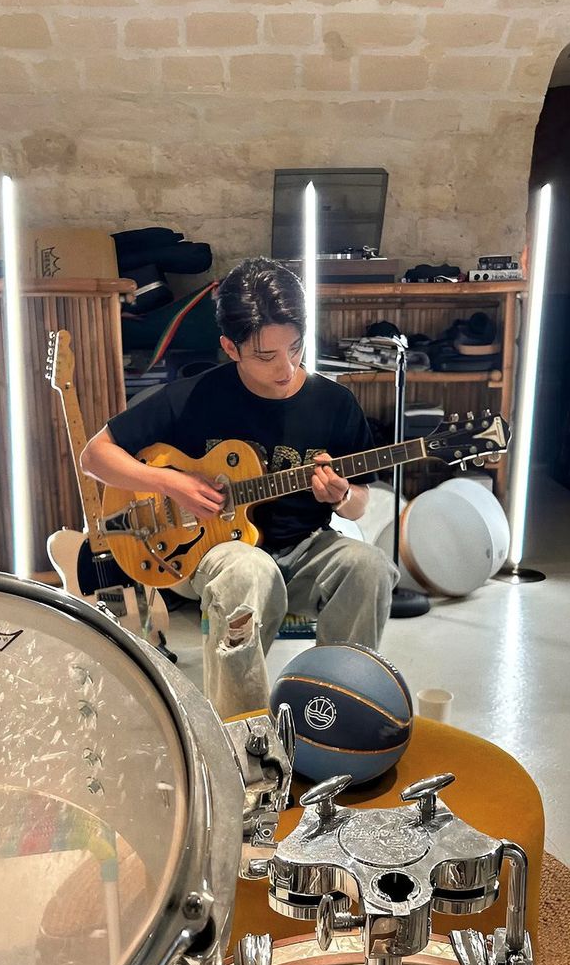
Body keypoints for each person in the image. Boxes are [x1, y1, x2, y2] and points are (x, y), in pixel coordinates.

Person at [81, 257, 397, 718]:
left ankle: (338, 712)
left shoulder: (335, 403)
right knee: (249, 571)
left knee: (368, 566)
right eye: (266, 356)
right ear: (231, 347)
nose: (286, 368)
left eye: (295, 348)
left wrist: (342, 496)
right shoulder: (196, 395)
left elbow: (359, 505)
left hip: (304, 547)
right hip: (207, 552)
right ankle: (242, 737)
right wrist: (170, 482)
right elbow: (95, 456)